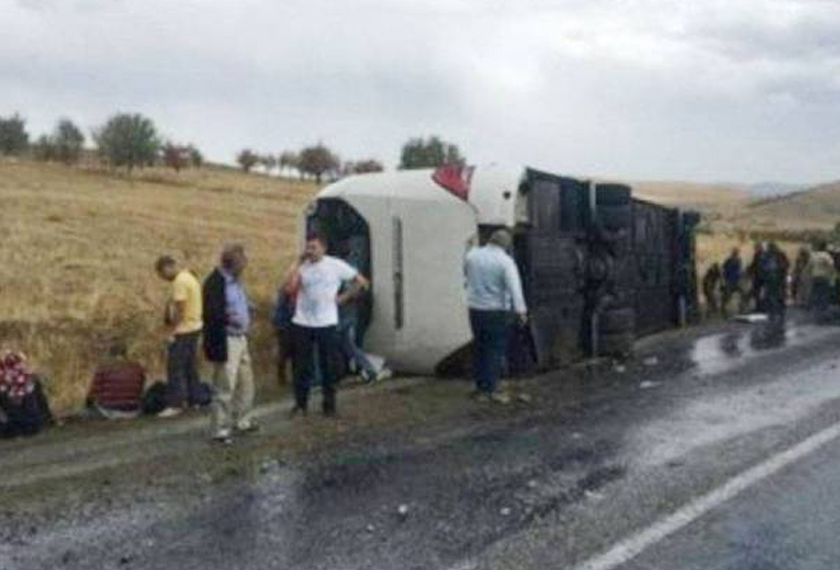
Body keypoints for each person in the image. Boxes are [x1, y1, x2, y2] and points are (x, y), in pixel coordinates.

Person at [285, 233, 370, 417]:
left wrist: (343, 297)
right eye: (308, 247)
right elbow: (289, 288)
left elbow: (361, 282)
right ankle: (301, 404)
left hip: (326, 322)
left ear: (324, 248)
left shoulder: (335, 265)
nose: (310, 251)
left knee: (327, 366)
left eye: (314, 247)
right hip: (303, 321)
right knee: (302, 366)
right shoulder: (303, 267)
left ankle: (329, 404)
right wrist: (296, 265)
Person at [464, 228, 528, 404]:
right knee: (494, 350)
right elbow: (515, 288)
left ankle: (479, 387)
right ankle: (490, 389)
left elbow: (465, 275)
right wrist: (521, 311)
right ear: (506, 245)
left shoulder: (472, 256)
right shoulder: (505, 262)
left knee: (479, 347)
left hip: (475, 309)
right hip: (496, 311)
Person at [203, 244, 257, 443]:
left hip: (241, 338)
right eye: (242, 263)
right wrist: (229, 319)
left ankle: (243, 420)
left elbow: (236, 302)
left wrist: (248, 307)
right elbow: (211, 312)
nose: (244, 267)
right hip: (226, 339)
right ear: (232, 264)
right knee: (225, 385)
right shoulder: (215, 282)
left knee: (246, 382)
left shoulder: (235, 281)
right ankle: (220, 430)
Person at [155, 256, 204, 418]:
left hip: (184, 329)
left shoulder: (180, 282)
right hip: (195, 327)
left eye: (162, 274)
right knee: (190, 366)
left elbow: (180, 309)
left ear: (168, 267)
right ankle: (195, 399)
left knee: (174, 366)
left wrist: (171, 330)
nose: (163, 278)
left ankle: (175, 403)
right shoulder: (190, 277)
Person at [85, 341, 146, 419]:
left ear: (110, 353)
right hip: (133, 410)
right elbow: (141, 389)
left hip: (109, 411)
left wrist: (88, 403)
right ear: (125, 353)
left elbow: (94, 393)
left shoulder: (104, 368)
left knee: (86, 411)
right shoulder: (137, 367)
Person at [805, 240, 836, 316]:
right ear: (825, 247)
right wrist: (832, 275)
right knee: (824, 293)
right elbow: (831, 266)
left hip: (815, 277)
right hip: (824, 277)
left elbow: (808, 267)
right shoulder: (827, 256)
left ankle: (814, 308)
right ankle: (823, 309)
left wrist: (806, 275)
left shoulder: (813, 255)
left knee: (815, 292)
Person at [762, 242, 790, 323]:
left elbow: (786, 264)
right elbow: (763, 266)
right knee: (771, 294)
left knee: (778, 294)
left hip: (779, 278)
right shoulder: (767, 255)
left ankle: (779, 310)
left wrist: (781, 269)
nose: (770, 250)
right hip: (770, 278)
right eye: (770, 248)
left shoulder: (780, 254)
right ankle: (772, 310)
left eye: (771, 248)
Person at [721, 248, 744, 317]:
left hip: (734, 280)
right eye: (735, 252)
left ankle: (740, 307)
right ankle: (724, 310)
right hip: (731, 280)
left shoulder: (736, 260)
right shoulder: (732, 260)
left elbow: (724, 269)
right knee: (728, 296)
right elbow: (725, 269)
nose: (736, 254)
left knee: (740, 294)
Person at [748, 242, 767, 313]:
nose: (755, 249)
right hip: (758, 276)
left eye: (756, 248)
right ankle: (758, 307)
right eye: (755, 248)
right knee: (757, 293)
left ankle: (762, 307)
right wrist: (750, 269)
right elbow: (754, 264)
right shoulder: (757, 255)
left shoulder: (764, 255)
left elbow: (764, 265)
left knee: (762, 293)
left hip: (763, 277)